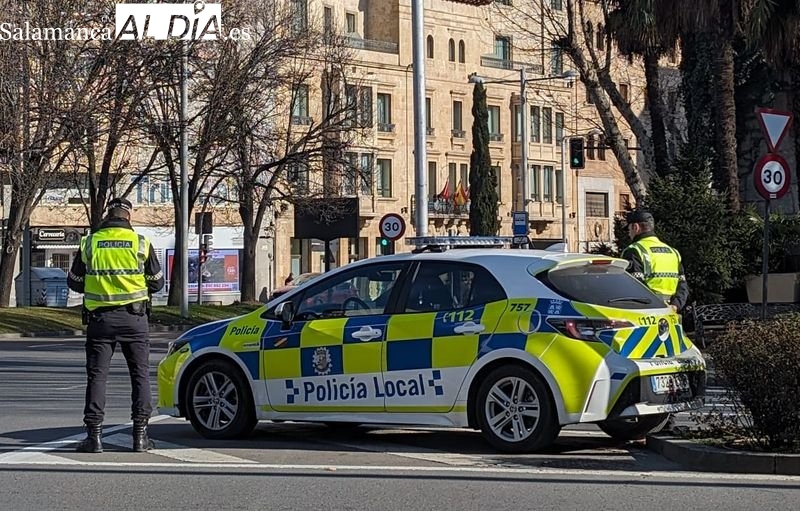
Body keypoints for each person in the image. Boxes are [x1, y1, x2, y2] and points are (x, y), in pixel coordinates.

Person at [67, 197, 165, 453]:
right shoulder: (140, 243)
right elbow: (157, 283)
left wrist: (98, 284)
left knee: (97, 377)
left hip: (100, 321)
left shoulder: (90, 242)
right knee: (140, 375)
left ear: (108, 216)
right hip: (135, 320)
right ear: (128, 216)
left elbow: (74, 281)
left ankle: (94, 437)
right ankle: (140, 437)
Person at [621, 209, 689, 313]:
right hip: (671, 311)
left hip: (646, 311)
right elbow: (682, 285)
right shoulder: (673, 252)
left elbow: (634, 285)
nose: (629, 233)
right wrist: (675, 306)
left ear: (636, 227)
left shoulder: (634, 250)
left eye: (629, 229)